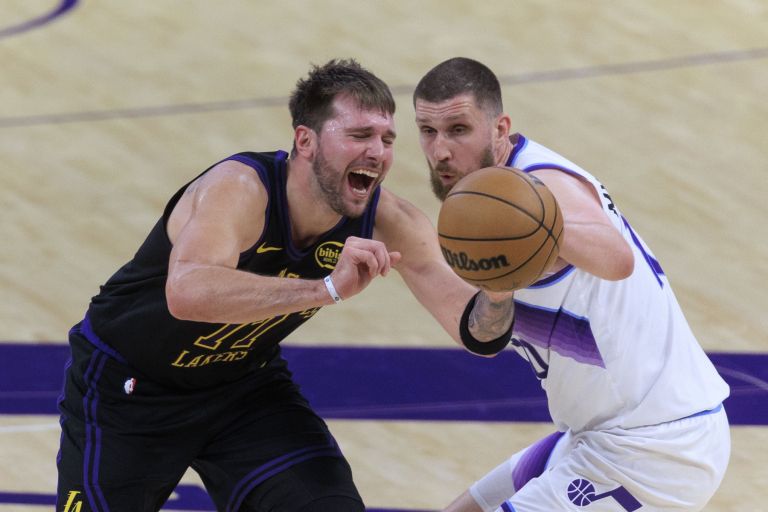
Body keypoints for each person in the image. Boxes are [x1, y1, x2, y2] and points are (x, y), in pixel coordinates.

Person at [56, 59, 507, 512]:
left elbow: (475, 330)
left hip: (243, 388)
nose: (378, 152)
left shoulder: (389, 219)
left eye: (387, 139)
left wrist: (504, 289)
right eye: (359, 135)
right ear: (305, 140)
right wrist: (325, 289)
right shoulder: (239, 188)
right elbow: (187, 292)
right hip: (127, 388)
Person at [412, 57, 730, 512]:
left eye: (458, 130)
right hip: (597, 436)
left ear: (500, 129)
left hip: (657, 449)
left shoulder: (542, 185)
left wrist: (538, 225)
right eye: (428, 131)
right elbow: (484, 334)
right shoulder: (492, 197)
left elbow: (616, 258)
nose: (440, 150)